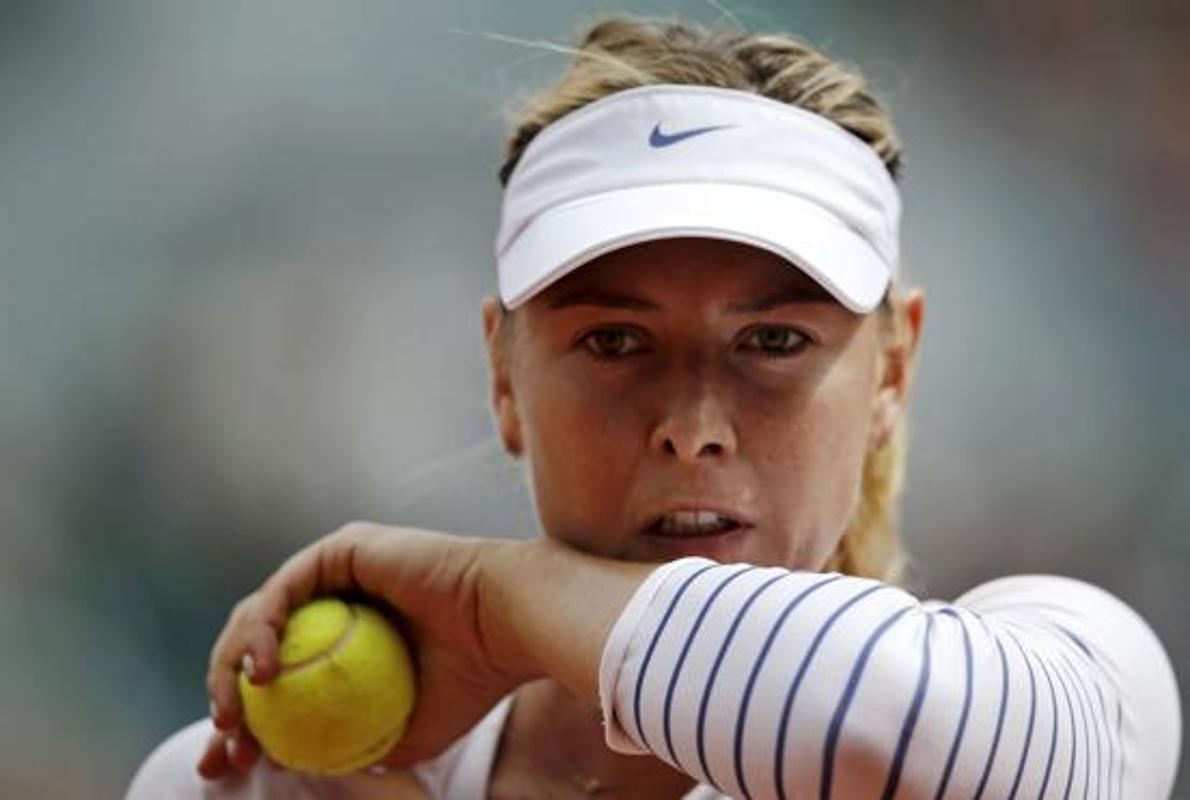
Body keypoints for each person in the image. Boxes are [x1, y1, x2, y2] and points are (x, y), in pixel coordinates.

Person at [126, 14, 1182, 800]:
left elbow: (935, 741)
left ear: (892, 370)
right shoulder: (244, 784)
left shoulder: (1078, 666)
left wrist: (498, 597)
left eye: (772, 341)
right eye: (613, 341)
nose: (693, 423)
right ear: (503, 374)